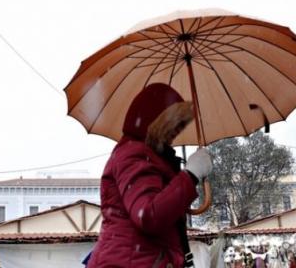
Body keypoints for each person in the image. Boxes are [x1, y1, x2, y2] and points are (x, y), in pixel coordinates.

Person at [87, 83, 213, 268]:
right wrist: (191, 175)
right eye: (172, 126)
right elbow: (148, 215)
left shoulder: (151, 157)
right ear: (155, 123)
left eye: (179, 127)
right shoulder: (134, 154)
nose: (175, 134)